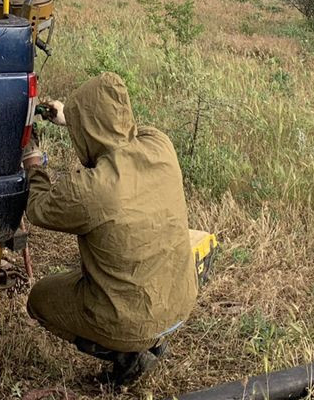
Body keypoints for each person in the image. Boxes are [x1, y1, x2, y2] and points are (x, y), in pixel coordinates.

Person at [21, 72, 197, 388]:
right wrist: (68, 118)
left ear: (87, 129)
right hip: (181, 301)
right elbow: (123, 130)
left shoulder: (94, 188)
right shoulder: (160, 145)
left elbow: (38, 209)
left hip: (133, 319)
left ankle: (130, 355)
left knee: (40, 299)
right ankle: (149, 339)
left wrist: (33, 163)